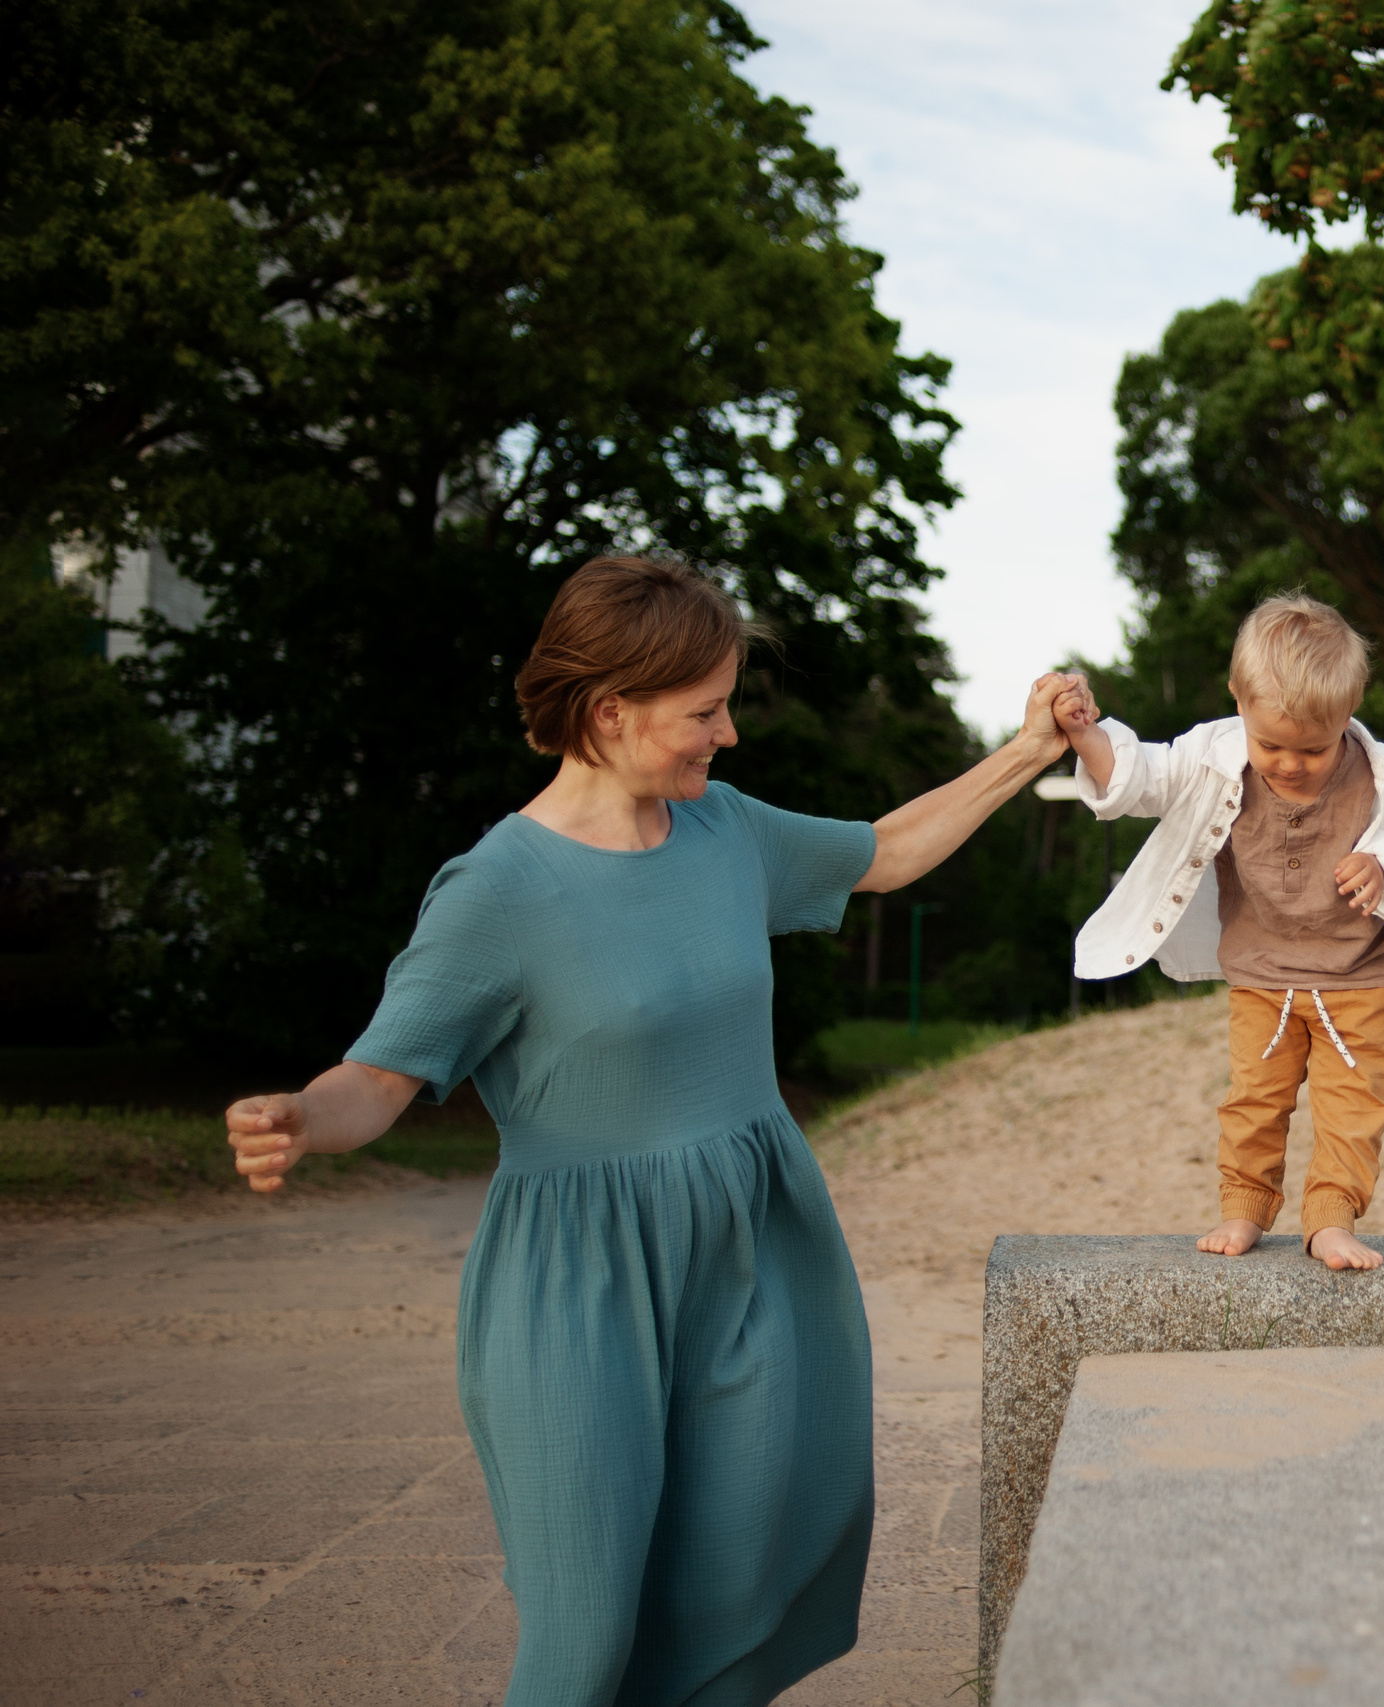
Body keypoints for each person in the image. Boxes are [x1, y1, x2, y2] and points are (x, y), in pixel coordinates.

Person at [224, 554, 1082, 1706]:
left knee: (726, 1599)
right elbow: (378, 1081)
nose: (726, 736)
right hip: (575, 1288)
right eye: (705, 711)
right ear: (608, 712)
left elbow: (885, 852)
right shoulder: (496, 889)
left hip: (752, 1258)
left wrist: (1030, 751)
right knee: (582, 1638)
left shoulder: (724, 831)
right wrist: (295, 1118)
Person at [1056, 592, 1384, 1271]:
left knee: (1355, 1106)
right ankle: (1244, 1207)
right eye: (1271, 743)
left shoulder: (1375, 772)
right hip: (1262, 974)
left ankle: (1331, 1219)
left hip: (1361, 974)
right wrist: (1086, 736)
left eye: (1312, 747)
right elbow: (1141, 777)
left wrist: (1382, 861)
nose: (1287, 762)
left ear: (1347, 713)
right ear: (1238, 700)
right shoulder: (1211, 756)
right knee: (1253, 1097)